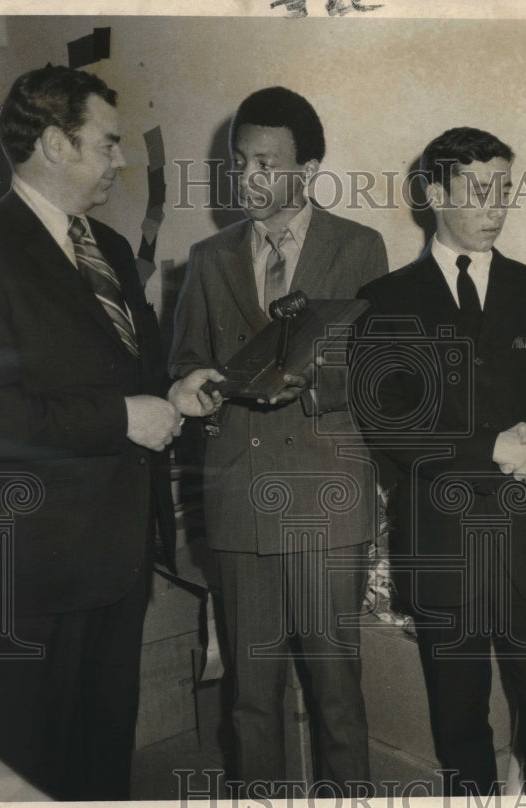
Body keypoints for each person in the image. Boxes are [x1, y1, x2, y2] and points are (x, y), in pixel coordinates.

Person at [0, 65, 221, 799]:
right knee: (21, 775)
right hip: (21, 576)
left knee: (100, 767)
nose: (120, 159)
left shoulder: (112, 251)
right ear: (55, 144)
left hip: (115, 561)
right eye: (108, 141)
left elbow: (129, 381)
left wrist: (172, 394)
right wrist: (124, 417)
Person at [169, 86, 388, 795]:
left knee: (337, 700)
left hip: (326, 499)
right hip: (238, 500)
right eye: (240, 162)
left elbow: (384, 375)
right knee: (249, 699)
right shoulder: (206, 257)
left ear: (309, 168)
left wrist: (315, 389)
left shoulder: (360, 247)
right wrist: (200, 388)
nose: (249, 179)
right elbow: (183, 364)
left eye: (267, 162)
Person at [351, 127, 526, 795]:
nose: (496, 205)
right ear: (433, 192)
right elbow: (388, 423)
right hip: (441, 546)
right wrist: (497, 448)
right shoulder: (383, 302)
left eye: (505, 189)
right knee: (459, 723)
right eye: (480, 190)